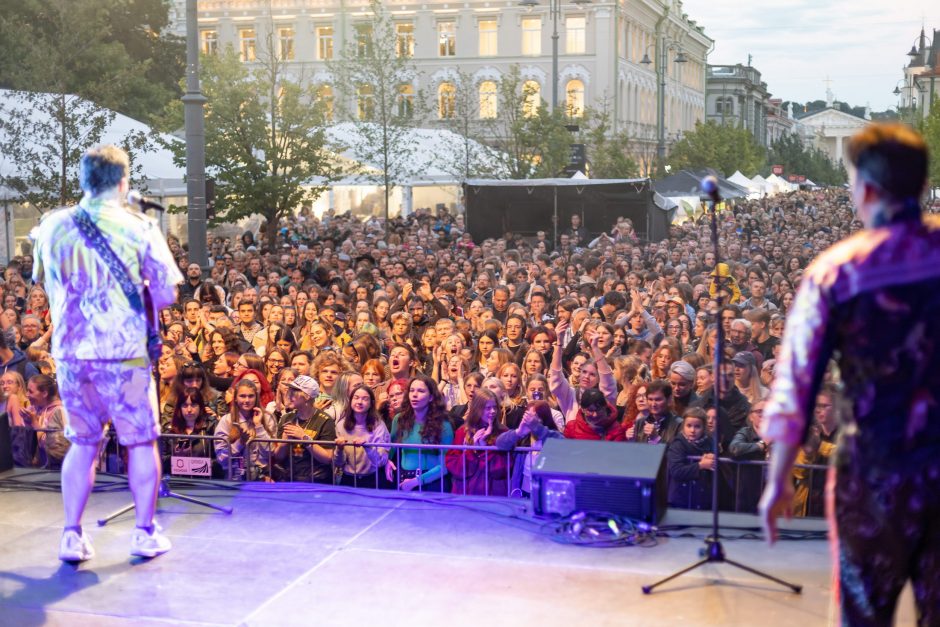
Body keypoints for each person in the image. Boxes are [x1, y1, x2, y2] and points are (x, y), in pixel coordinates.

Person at [760, 123, 940, 625]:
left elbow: (796, 385)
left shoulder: (837, 272)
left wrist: (778, 481)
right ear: (921, 187)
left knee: (863, 612)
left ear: (863, 187)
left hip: (875, 475)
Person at [31, 145, 182, 562]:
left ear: (83, 180)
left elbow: (42, 279)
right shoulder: (139, 226)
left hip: (71, 353)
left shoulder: (52, 226)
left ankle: (71, 536)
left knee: (82, 442)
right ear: (123, 181)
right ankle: (144, 532)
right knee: (139, 442)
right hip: (123, 354)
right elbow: (167, 293)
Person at [446, 389, 509, 496]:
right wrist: (472, 451)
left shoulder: (503, 432)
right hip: (466, 493)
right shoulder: (463, 432)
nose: (493, 411)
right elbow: (456, 469)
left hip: (494, 495)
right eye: (488, 408)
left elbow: (502, 470)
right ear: (477, 409)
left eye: (495, 407)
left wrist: (485, 449)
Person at [334, 384, 390, 488]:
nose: (359, 402)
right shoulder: (341, 425)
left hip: (372, 479)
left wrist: (367, 447)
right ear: (350, 401)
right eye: (356, 398)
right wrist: (339, 449)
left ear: (371, 403)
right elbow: (339, 463)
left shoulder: (378, 425)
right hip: (348, 478)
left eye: (365, 399)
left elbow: (381, 461)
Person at [666, 408, 715, 510]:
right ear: (683, 426)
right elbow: (676, 471)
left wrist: (713, 457)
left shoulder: (710, 442)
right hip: (680, 499)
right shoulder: (677, 444)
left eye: (697, 426)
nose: (692, 430)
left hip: (702, 499)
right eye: (689, 426)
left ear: (704, 427)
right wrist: (700, 465)